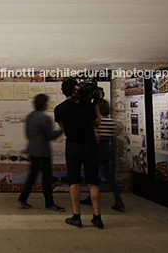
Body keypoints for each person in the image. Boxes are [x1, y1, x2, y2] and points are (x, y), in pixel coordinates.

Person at [54, 79, 104, 229]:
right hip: (89, 145)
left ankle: (76, 217)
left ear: (63, 91)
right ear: (76, 88)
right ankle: (97, 217)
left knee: (74, 181)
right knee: (92, 182)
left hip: (73, 146)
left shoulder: (59, 109)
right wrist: (96, 106)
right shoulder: (87, 105)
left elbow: (63, 129)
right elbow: (97, 123)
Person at [18, 94, 65, 212]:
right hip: (43, 152)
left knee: (32, 176)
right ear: (45, 104)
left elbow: (28, 135)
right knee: (46, 178)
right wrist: (63, 129)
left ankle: (23, 198)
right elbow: (50, 136)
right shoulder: (44, 118)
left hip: (33, 150)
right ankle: (49, 203)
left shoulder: (30, 116)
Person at [80, 99, 125, 212]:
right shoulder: (110, 121)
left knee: (92, 173)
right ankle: (118, 201)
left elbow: (97, 135)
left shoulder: (99, 121)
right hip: (108, 149)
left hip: (99, 149)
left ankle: (91, 197)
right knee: (109, 176)